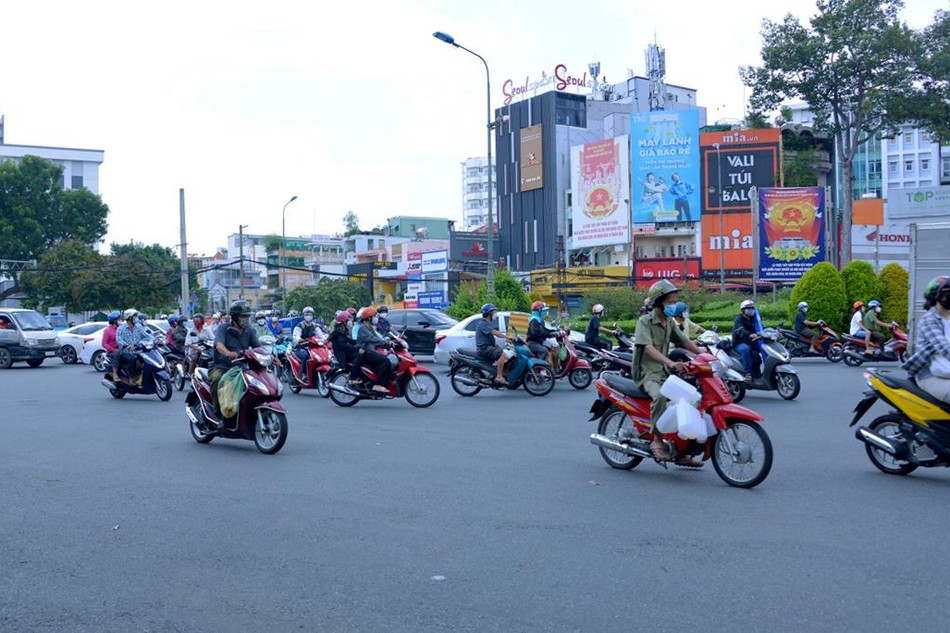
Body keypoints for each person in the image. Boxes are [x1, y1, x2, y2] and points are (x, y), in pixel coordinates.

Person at [632, 279, 703, 466]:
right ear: (659, 302)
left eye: (675, 302)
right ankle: (656, 439)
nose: (673, 306)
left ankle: (682, 450)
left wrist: (704, 355)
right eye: (670, 302)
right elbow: (648, 348)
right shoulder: (644, 322)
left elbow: (684, 342)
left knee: (690, 398)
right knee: (661, 397)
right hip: (647, 373)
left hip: (664, 373)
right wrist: (671, 363)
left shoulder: (669, 322)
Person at [210, 300, 260, 419]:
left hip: (242, 367)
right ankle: (218, 414)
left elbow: (258, 347)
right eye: (243, 316)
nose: (246, 319)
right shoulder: (223, 328)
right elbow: (219, 345)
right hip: (222, 367)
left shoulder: (249, 330)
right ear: (235, 317)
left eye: (247, 316)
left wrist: (271, 357)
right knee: (217, 379)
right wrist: (228, 353)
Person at [904, 276, 950, 402]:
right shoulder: (930, 319)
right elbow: (944, 348)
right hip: (930, 376)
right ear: (936, 296)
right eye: (948, 293)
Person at [354, 307, 392, 394]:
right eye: (374, 316)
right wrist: (385, 342)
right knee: (385, 361)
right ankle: (378, 385)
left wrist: (388, 342)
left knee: (385, 358)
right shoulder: (363, 328)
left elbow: (377, 337)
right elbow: (372, 339)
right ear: (369, 318)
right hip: (365, 352)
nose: (376, 318)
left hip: (371, 351)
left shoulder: (369, 327)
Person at [476, 303, 512, 385]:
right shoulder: (483, 324)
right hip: (484, 348)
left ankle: (496, 372)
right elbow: (495, 333)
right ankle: (499, 377)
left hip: (487, 347)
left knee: (504, 355)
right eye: (494, 312)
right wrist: (507, 337)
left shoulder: (486, 323)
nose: (495, 314)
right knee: (502, 354)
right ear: (489, 314)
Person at [115, 309, 150, 383]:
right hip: (126, 352)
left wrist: (154, 339)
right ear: (129, 317)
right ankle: (132, 378)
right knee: (133, 359)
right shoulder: (121, 328)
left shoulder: (138, 327)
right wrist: (126, 345)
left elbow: (146, 336)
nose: (137, 318)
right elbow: (119, 340)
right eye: (135, 316)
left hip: (139, 351)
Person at [733, 300, 761, 382]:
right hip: (739, 342)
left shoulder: (754, 319)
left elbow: (760, 327)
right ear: (743, 310)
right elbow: (740, 330)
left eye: (752, 308)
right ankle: (748, 373)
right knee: (746, 349)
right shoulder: (739, 319)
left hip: (751, 341)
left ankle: (758, 371)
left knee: (762, 348)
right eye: (748, 308)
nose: (751, 310)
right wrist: (749, 334)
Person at [291, 307, 320, 381]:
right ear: (303, 315)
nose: (308, 316)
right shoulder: (299, 326)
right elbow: (296, 336)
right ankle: (303, 374)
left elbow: (321, 335)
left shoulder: (315, 326)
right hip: (299, 348)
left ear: (313, 315)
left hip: (312, 347)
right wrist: (300, 340)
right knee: (306, 356)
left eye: (310, 314)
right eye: (307, 314)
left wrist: (325, 339)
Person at [527, 301, 557, 367]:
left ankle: (551, 368)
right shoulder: (534, 320)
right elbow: (535, 333)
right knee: (544, 350)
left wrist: (554, 331)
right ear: (538, 311)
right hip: (532, 343)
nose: (545, 313)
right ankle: (540, 368)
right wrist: (549, 334)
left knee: (553, 349)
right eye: (543, 311)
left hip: (538, 342)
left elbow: (545, 330)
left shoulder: (539, 320)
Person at [101, 311, 121, 380]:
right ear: (114, 321)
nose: (120, 320)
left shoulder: (121, 329)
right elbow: (104, 344)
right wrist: (114, 349)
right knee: (116, 354)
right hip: (112, 351)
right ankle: (115, 374)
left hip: (122, 349)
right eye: (119, 319)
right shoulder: (107, 330)